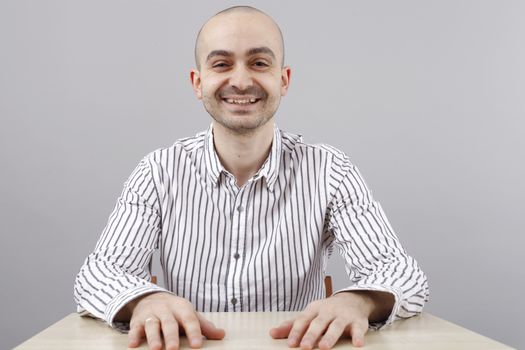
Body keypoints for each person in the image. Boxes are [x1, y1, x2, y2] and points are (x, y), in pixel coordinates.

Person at [74, 5, 429, 350]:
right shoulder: (158, 172)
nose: (241, 81)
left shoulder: (330, 171)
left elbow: (401, 273)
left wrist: (358, 302)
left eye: (259, 63)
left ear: (283, 80)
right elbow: (97, 275)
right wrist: (144, 301)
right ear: (198, 82)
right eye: (221, 64)